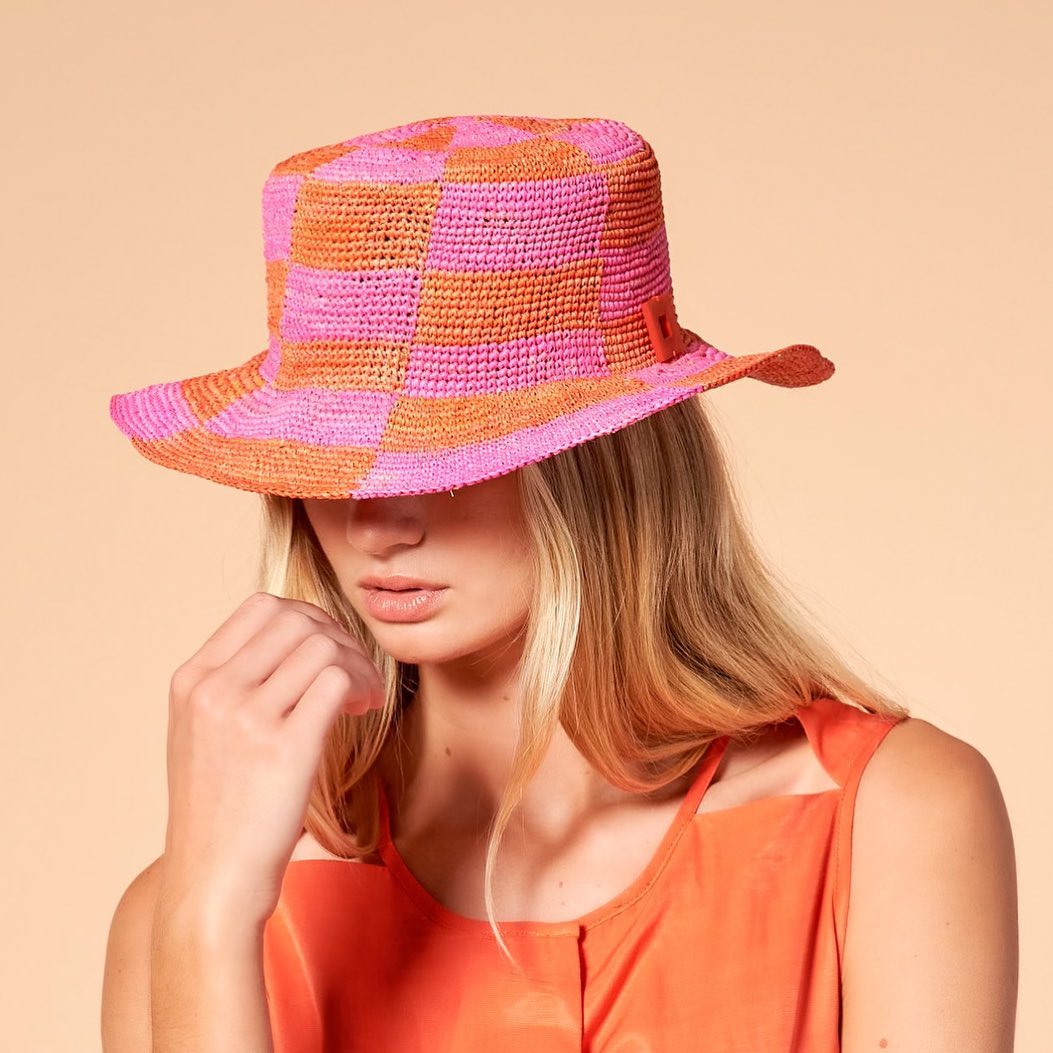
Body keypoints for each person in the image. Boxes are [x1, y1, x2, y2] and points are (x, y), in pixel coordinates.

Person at [100, 114, 1018, 1052]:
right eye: (329, 460)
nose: (376, 524)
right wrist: (206, 923)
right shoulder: (194, 912)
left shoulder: (888, 818)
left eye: (447, 455)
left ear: (601, 461)